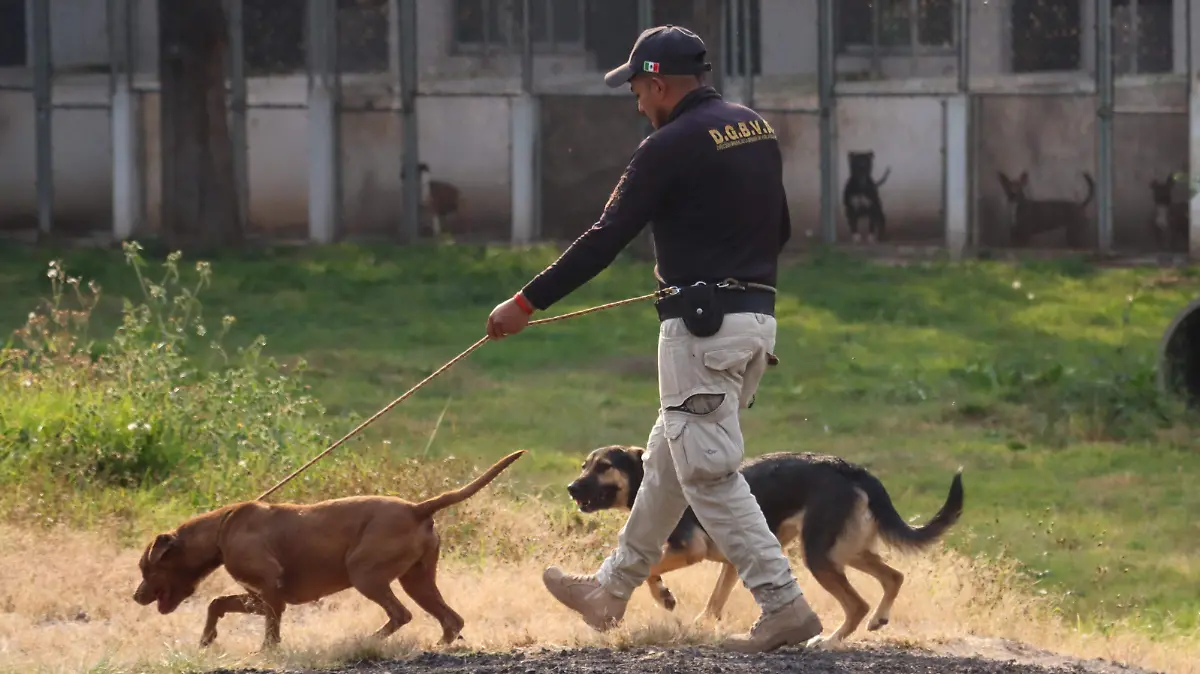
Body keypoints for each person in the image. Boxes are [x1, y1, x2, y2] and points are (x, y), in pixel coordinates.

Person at [485, 24, 824, 653]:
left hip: (702, 331)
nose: (637, 101)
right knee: (668, 464)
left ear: (660, 82)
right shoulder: (754, 128)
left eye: (638, 89)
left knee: (709, 474)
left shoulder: (668, 144)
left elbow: (607, 235)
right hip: (752, 321)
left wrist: (525, 303)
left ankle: (784, 605)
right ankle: (609, 592)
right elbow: (776, 228)